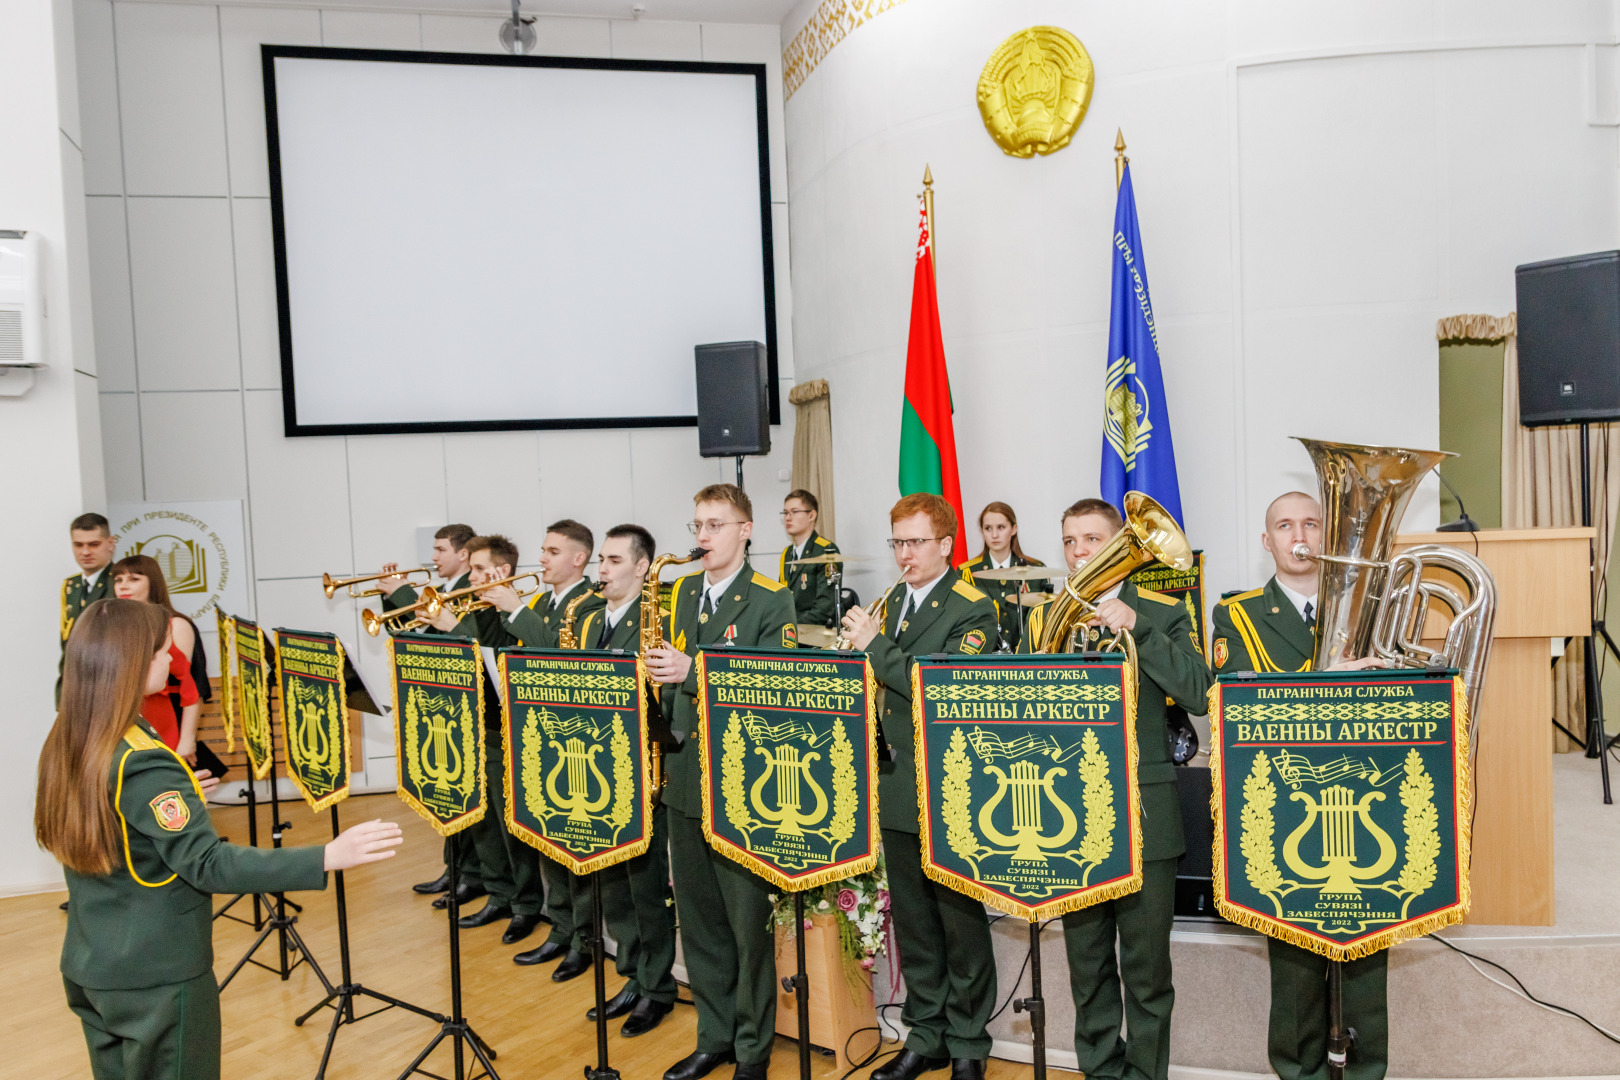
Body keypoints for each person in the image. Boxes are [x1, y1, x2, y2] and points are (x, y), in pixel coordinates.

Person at [36, 598, 402, 1080]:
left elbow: (113, 824)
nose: (172, 661)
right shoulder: (145, 760)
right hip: (156, 974)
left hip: (94, 964)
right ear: (130, 666)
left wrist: (182, 796)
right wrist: (328, 855)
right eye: (162, 653)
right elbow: (208, 864)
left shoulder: (71, 733)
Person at [1021, 498, 1213, 1080]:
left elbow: (1201, 692)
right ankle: (1100, 1069)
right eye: (1071, 541)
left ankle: (1147, 1074)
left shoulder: (1162, 609)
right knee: (1087, 965)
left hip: (1146, 811)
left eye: (1093, 539)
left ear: (1119, 548)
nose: (1081, 552)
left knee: (1147, 968)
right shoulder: (1044, 618)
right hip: (1071, 815)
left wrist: (1139, 628)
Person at [1210, 491, 1390, 1080]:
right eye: (1285, 525)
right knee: (1292, 953)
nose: (1299, 534)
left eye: (1311, 523)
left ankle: (1366, 1071)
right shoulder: (1234, 613)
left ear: (1327, 536)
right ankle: (1298, 1071)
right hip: (1284, 801)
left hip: (1365, 799)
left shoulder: (1372, 605)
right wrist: (1324, 677)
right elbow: (1236, 693)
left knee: (1369, 942)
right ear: (1268, 541)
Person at [839, 493, 999, 1080]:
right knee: (915, 923)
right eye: (897, 542)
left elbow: (941, 687)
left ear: (946, 545)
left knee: (959, 924)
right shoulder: (890, 606)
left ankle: (969, 1044)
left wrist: (873, 647)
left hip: (947, 788)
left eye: (915, 542)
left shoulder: (972, 608)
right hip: (893, 784)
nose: (904, 553)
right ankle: (925, 1033)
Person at [646, 483, 796, 1080]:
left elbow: (773, 687)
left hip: (742, 782)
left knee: (746, 926)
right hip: (683, 774)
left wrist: (693, 672)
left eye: (715, 525)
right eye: (697, 526)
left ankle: (754, 1050)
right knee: (702, 921)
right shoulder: (680, 592)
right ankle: (716, 1035)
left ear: (746, 530)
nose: (703, 537)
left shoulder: (771, 599)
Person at [564, 523, 678, 1037]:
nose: (601, 571)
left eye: (612, 561)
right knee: (613, 887)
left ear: (640, 568)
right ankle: (632, 973)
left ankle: (657, 988)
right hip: (598, 770)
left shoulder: (659, 622)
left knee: (646, 887)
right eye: (600, 561)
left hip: (643, 769)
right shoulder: (588, 621)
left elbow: (665, 700)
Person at [422, 534, 545, 946]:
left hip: (509, 728)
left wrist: (460, 624)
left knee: (510, 825)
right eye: (471, 569)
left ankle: (524, 903)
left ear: (502, 572)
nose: (470, 578)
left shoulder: (518, 607)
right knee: (487, 820)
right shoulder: (480, 605)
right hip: (480, 723)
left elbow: (490, 655)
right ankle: (498, 892)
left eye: (478, 570)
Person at [499, 520, 604, 980]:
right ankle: (560, 928)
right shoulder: (542, 601)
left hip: (579, 742)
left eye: (553, 551)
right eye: (543, 550)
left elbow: (566, 663)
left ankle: (585, 938)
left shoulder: (591, 603)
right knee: (548, 837)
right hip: (541, 736)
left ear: (579, 559)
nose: (541, 558)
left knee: (576, 843)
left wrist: (516, 611)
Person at [377, 524, 478, 902]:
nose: (433, 557)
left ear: (462, 553)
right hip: (442, 707)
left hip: (461, 708)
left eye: (439, 550)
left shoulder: (467, 592)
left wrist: (404, 593)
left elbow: (459, 640)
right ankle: (455, 869)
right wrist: (394, 599)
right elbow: (408, 636)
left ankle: (471, 875)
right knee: (449, 792)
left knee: (465, 799)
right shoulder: (445, 591)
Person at [110, 555, 210, 760]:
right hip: (128, 718)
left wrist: (187, 740)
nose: (123, 586)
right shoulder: (116, 627)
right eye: (118, 580)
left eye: (133, 579)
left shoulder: (176, 625)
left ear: (153, 582)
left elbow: (192, 687)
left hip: (170, 716)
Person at [962, 501, 1052, 651]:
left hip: (1025, 655)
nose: (994, 535)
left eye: (1001, 527)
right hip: (985, 656)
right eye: (988, 528)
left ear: (1013, 529)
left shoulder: (1036, 570)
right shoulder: (968, 573)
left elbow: (1043, 619)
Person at [59, 512, 118, 702]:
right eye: (78, 545)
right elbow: (68, 645)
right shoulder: (71, 586)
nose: (85, 552)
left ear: (110, 543)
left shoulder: (121, 582)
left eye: (94, 544)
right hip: (76, 691)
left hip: (109, 689)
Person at [777, 489, 841, 627]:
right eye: (785, 512)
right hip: (791, 630)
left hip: (814, 634)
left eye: (794, 512)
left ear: (811, 515)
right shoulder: (787, 553)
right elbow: (781, 598)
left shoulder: (826, 551)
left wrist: (792, 627)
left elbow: (825, 607)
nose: (788, 517)